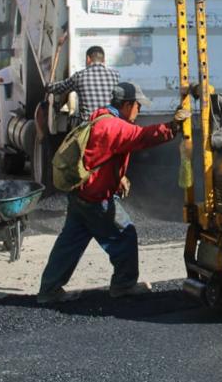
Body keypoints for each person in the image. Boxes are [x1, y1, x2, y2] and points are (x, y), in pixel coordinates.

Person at [37, 82, 184, 303]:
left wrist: (118, 177)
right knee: (125, 234)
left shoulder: (100, 116)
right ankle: (124, 286)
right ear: (126, 104)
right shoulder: (114, 126)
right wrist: (173, 126)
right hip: (97, 198)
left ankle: (49, 290)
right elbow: (143, 137)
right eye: (137, 105)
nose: (139, 110)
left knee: (69, 244)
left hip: (80, 194)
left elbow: (101, 155)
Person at [45, 45, 120, 124]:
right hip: (111, 126)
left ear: (88, 59)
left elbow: (61, 88)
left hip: (89, 127)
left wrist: (48, 87)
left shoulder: (79, 76)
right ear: (104, 60)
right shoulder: (115, 75)